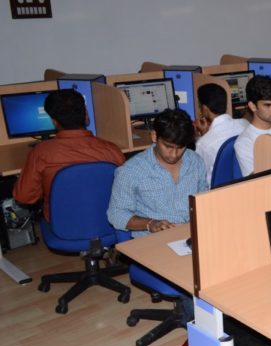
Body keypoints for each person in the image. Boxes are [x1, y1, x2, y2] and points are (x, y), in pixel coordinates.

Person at [13, 89, 125, 222]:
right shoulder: (111, 150)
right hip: (108, 221)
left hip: (62, 225)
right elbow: (127, 190)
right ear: (86, 115)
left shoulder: (40, 153)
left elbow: (24, 197)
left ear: (54, 122)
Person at [108, 108, 207, 237]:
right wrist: (150, 224)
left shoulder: (195, 161)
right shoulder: (131, 171)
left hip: (190, 234)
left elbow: (204, 201)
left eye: (180, 147)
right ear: (154, 136)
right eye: (168, 146)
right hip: (153, 239)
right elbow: (116, 214)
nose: (174, 155)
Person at [194, 83, 247, 185]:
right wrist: (206, 134)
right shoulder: (244, 124)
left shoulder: (203, 144)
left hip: (217, 190)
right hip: (244, 184)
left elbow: (199, 178)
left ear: (204, 108)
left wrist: (204, 137)